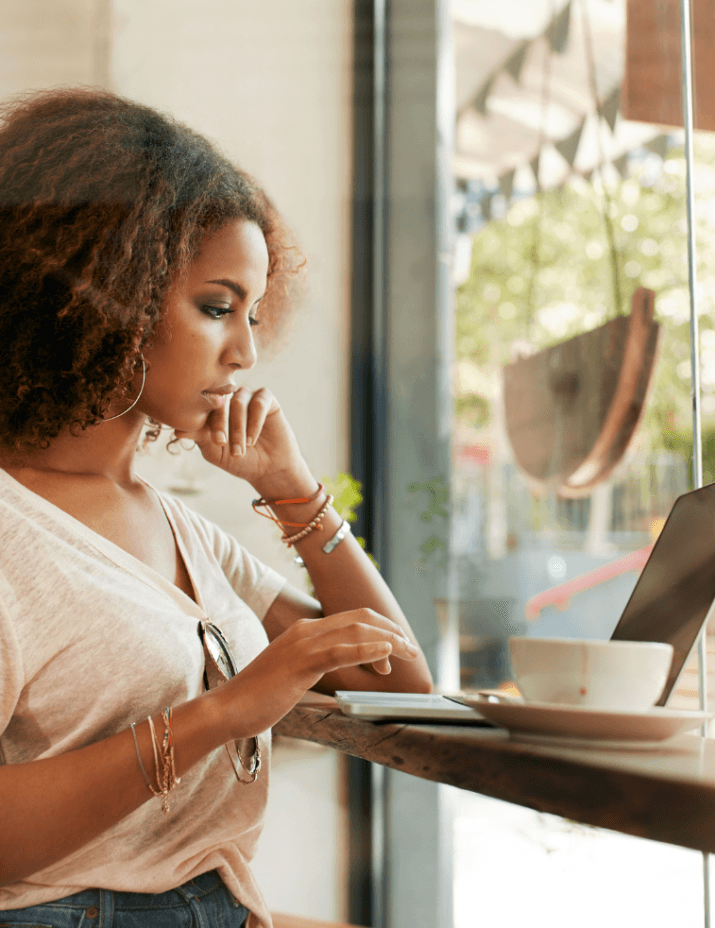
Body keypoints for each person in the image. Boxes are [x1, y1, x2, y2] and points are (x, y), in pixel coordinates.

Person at [0, 87, 432, 928]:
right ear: (101, 295)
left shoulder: (176, 526)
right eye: (216, 307)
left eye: (254, 314)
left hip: (218, 906)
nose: (245, 352)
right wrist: (227, 710)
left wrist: (290, 489)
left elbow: (398, 681)